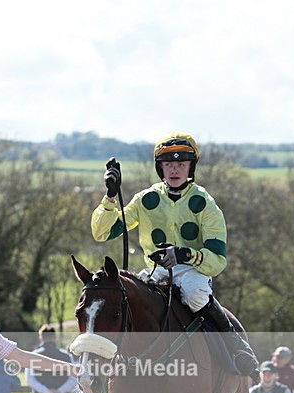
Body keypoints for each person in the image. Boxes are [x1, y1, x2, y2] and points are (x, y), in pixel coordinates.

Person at [91, 132, 258, 379]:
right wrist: (111, 196)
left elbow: (217, 261)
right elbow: (102, 233)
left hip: (192, 272)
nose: (175, 170)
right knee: (126, 298)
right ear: (161, 168)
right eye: (169, 164)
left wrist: (184, 255)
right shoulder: (146, 199)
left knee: (195, 294)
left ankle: (236, 346)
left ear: (191, 167)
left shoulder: (205, 203)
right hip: (154, 271)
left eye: (181, 164)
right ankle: (110, 366)